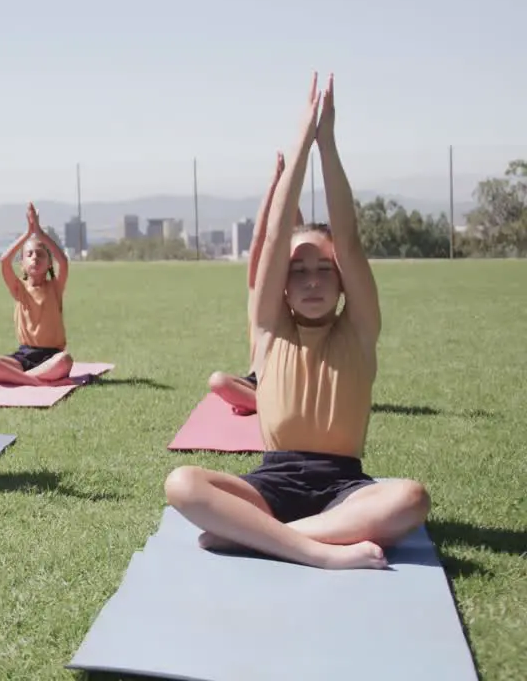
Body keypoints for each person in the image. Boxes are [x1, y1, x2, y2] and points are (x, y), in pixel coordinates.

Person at [164, 74, 430, 570]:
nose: (311, 281)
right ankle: (314, 550)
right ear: (281, 285)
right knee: (182, 483)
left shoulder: (359, 329)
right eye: (298, 272)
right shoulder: (269, 330)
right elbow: (271, 242)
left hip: (344, 487)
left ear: (343, 279)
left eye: (324, 269)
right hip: (272, 482)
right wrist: (300, 144)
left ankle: (256, 538)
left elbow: (348, 239)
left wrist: (327, 143)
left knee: (411, 498)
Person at [207, 152, 305, 415]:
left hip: (288, 385)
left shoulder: (299, 300)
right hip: (255, 382)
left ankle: (269, 405)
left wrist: (288, 188)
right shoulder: (259, 301)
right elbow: (258, 241)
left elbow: (296, 236)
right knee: (218, 381)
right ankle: (265, 404)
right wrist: (275, 184)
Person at [0, 203, 74, 386]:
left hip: (51, 356)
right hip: (23, 355)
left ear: (49, 264)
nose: (35, 258)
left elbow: (63, 262)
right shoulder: (19, 289)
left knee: (65, 361)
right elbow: (4, 261)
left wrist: (38, 232)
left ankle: (22, 379)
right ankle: (38, 381)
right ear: (22, 263)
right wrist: (27, 234)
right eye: (29, 254)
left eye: (40, 255)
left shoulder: (55, 287)